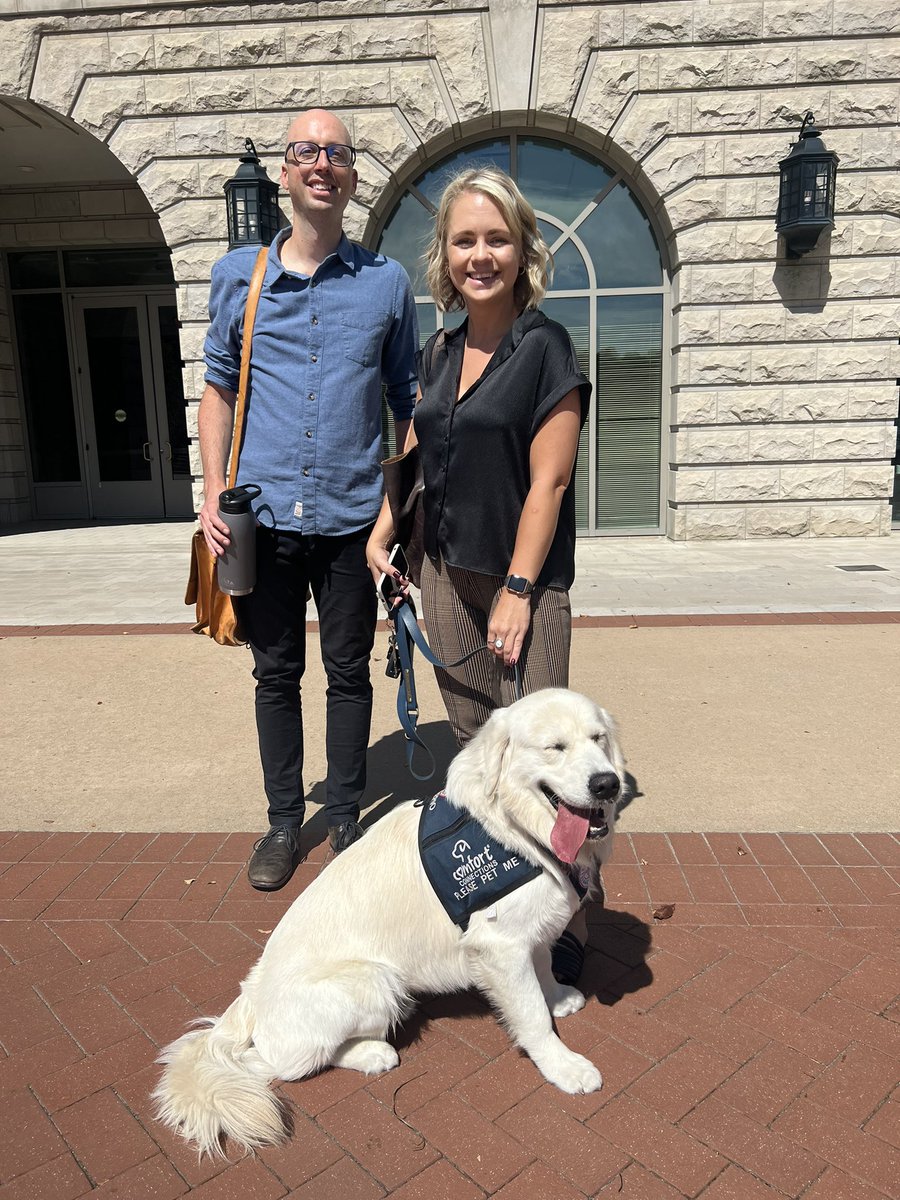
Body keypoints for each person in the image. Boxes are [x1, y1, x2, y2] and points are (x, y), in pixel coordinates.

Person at [366, 166, 591, 981]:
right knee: (474, 744)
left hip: (520, 584)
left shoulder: (545, 347)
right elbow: (425, 447)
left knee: (549, 762)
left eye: (496, 238)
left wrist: (520, 592)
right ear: (446, 254)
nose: (480, 254)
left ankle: (566, 912)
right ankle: (501, 898)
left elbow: (550, 482)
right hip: (442, 573)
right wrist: (385, 531)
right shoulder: (440, 346)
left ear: (523, 246)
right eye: (465, 240)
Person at [200, 109, 418, 890]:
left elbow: (408, 400)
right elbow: (218, 392)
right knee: (274, 673)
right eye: (307, 152)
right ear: (287, 175)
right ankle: (285, 822)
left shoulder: (386, 284)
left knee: (350, 671)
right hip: (261, 517)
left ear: (352, 178)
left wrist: (402, 514)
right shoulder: (238, 276)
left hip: (355, 518)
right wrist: (209, 497)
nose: (322, 163)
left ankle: (349, 815)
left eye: (336, 153)